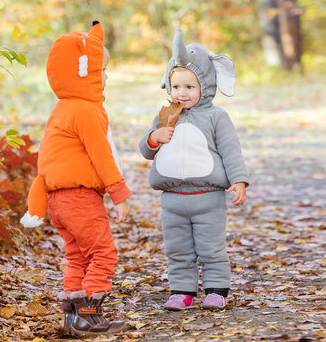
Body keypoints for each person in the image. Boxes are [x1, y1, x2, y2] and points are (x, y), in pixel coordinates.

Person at [20, 21, 132, 335]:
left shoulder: (61, 108)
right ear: (85, 72)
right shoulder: (86, 111)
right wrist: (119, 194)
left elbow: (47, 158)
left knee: (77, 254)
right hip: (80, 198)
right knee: (103, 253)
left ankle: (73, 317)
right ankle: (87, 312)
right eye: (103, 70)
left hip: (57, 200)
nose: (107, 77)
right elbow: (101, 155)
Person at [139, 29, 249, 311]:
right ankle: (182, 291)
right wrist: (154, 137)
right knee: (177, 250)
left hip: (208, 198)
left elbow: (230, 151)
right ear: (168, 85)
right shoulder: (165, 115)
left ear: (206, 86)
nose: (182, 93)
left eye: (190, 87)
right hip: (172, 199)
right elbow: (146, 150)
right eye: (176, 87)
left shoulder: (216, 117)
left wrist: (239, 181)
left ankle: (215, 290)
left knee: (210, 248)